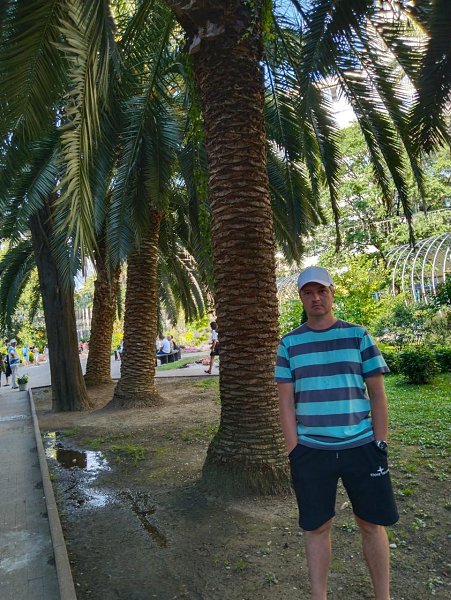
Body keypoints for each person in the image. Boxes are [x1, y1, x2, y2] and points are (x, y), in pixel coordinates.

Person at [275, 266, 398, 600]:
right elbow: (285, 402)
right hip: (311, 450)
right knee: (316, 528)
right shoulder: (289, 344)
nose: (316, 298)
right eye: (308, 292)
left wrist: (380, 442)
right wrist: (294, 449)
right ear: (301, 298)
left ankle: (383, 596)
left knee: (371, 524)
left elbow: (377, 394)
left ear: (332, 293)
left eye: (322, 291)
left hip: (362, 447)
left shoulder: (358, 336)